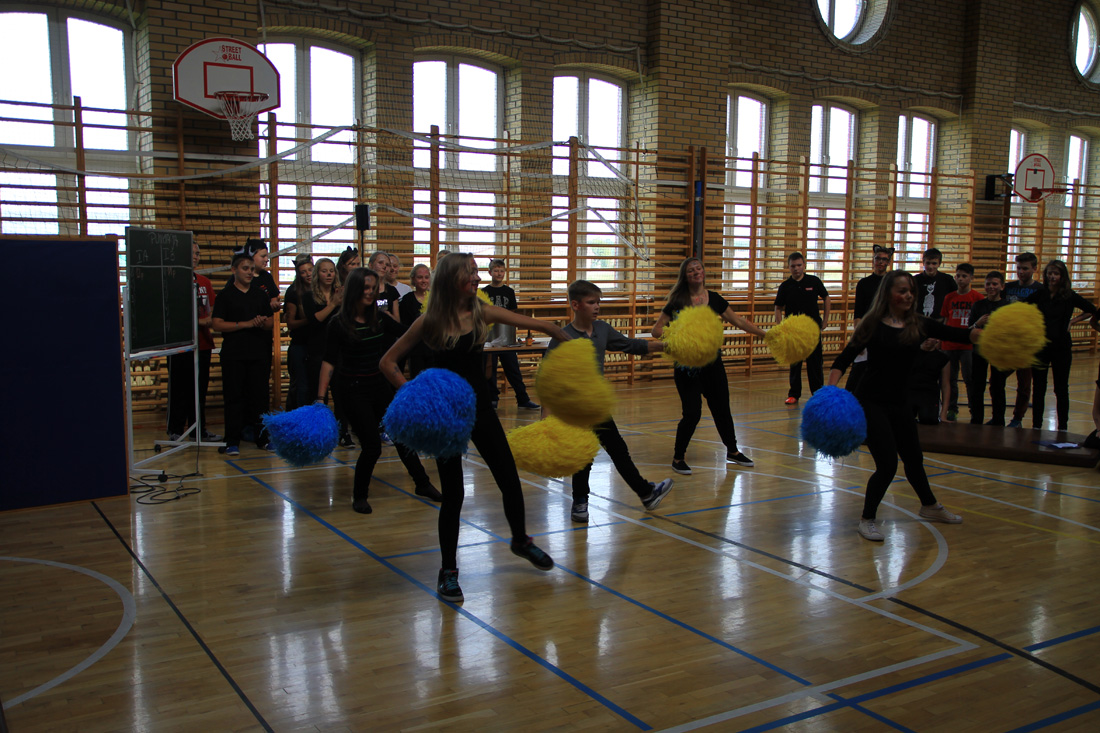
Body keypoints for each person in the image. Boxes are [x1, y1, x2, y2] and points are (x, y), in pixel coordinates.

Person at [380, 252, 569, 604]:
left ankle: (520, 540)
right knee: (454, 495)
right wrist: (414, 396)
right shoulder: (429, 321)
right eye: (471, 272)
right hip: (446, 415)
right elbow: (388, 362)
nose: (477, 278)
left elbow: (535, 323)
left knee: (508, 477)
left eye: (477, 272)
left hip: (480, 407)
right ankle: (448, 571)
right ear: (452, 278)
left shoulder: (481, 311)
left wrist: (559, 332)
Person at [829, 270, 981, 542]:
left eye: (911, 290)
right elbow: (844, 359)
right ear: (888, 294)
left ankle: (929, 506)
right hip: (871, 402)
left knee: (914, 459)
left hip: (900, 402)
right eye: (902, 290)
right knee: (887, 465)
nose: (909, 295)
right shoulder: (871, 324)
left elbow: (957, 334)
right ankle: (867, 519)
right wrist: (830, 391)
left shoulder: (919, 324)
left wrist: (979, 333)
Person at [316, 267, 441, 514]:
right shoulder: (338, 324)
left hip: (379, 387)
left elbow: (408, 334)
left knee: (402, 436)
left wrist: (434, 319)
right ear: (354, 290)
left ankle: (422, 484)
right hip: (352, 392)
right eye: (365, 288)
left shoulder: (380, 318)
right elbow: (328, 362)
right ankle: (359, 495)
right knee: (372, 446)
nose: (370, 292)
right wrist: (320, 399)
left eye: (373, 288)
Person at [549, 280, 674, 523]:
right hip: (575, 407)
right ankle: (582, 502)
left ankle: (644, 493)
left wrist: (662, 346)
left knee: (617, 450)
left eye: (599, 302)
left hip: (597, 405)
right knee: (584, 455)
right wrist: (547, 419)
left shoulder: (602, 329)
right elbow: (548, 378)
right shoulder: (562, 337)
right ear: (575, 305)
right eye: (591, 302)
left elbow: (630, 345)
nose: (597, 306)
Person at [652, 257, 766, 474]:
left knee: (722, 409)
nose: (696, 272)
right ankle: (678, 457)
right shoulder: (677, 300)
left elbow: (739, 321)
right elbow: (656, 330)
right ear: (685, 276)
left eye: (698, 268)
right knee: (692, 413)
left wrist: (765, 335)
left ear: (704, 272)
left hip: (713, 364)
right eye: (690, 270)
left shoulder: (714, 299)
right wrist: (681, 339)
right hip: (687, 368)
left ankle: (732, 451)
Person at [211, 252, 274, 456]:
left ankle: (263, 439)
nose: (249, 272)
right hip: (234, 355)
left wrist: (261, 323)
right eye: (245, 268)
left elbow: (270, 322)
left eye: (251, 269)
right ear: (234, 270)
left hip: (258, 354)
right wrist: (244, 324)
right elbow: (217, 324)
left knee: (260, 398)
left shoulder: (260, 295)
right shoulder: (225, 295)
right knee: (234, 398)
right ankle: (232, 441)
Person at [1031, 260, 1097, 431]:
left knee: (1061, 388)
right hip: (1040, 346)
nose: (1052, 277)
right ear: (1045, 275)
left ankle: (1062, 427)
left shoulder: (1069, 295)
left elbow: (1091, 309)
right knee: (1038, 387)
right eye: (1050, 273)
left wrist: (1073, 321)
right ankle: (1036, 425)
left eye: (1056, 273)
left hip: (1061, 347)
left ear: (1062, 276)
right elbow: (1022, 308)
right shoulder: (1040, 294)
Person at [167, 240, 220, 442]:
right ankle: (175, 430)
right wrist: (198, 321)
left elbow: (212, 310)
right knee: (179, 388)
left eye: (198, 253)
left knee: (199, 390)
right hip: (179, 345)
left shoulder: (204, 282)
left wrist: (209, 320)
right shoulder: (172, 282)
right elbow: (171, 315)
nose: (196, 257)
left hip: (203, 344)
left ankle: (198, 429)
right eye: (192, 253)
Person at [482, 258, 540, 410]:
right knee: (490, 368)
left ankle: (522, 398)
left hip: (507, 336)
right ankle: (492, 398)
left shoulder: (509, 292)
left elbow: (513, 313)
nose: (499, 273)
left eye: (502, 271)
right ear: (490, 272)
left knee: (513, 369)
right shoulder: (484, 292)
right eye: (496, 271)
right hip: (490, 337)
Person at [774, 251, 830, 404]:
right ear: (789, 267)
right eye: (793, 266)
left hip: (812, 330)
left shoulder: (814, 281)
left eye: (799, 265)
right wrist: (780, 327)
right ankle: (794, 394)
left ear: (804, 265)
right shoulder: (785, 286)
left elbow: (826, 298)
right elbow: (778, 308)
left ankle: (818, 393)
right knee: (795, 363)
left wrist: (825, 320)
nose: (796, 268)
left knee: (815, 363)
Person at [1002, 252, 1049, 428]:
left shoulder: (1041, 290)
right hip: (1008, 342)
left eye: (1025, 268)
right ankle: (997, 416)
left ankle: (1017, 418)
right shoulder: (1008, 287)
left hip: (1027, 344)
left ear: (1034, 269)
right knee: (997, 379)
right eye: (1018, 268)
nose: (1021, 272)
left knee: (1024, 384)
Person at [939, 263, 984, 421]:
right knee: (950, 379)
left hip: (968, 345)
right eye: (958, 276)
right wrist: (941, 340)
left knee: (969, 379)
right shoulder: (949, 297)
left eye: (964, 276)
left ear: (971, 278)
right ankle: (952, 409)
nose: (960, 279)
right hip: (949, 344)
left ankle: (973, 408)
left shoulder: (978, 298)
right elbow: (945, 319)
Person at [846, 244, 894, 394]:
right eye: (877, 258)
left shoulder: (892, 284)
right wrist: (859, 337)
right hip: (868, 332)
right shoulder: (864, 284)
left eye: (884, 259)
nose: (880, 262)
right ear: (873, 260)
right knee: (856, 376)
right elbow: (858, 313)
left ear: (888, 262)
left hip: (886, 334)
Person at [302, 258, 342, 417]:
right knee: (318, 395)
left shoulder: (340, 294)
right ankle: (320, 426)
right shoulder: (309, 296)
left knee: (340, 394)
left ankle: (342, 428)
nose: (329, 274)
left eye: (331, 271)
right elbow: (314, 320)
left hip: (338, 349)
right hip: (317, 349)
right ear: (317, 274)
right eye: (324, 271)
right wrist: (332, 304)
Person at [968, 271, 1009, 425]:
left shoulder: (1007, 306)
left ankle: (998, 420)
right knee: (977, 386)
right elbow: (969, 329)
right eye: (988, 284)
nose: (991, 287)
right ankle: (976, 419)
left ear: (1002, 286)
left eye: (995, 284)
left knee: (998, 386)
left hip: (999, 352)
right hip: (979, 351)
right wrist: (978, 323)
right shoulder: (978, 305)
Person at [283, 254, 314, 411]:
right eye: (303, 272)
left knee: (316, 387)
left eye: (310, 270)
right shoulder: (293, 292)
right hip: (300, 345)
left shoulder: (321, 289)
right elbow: (290, 323)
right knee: (301, 386)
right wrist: (312, 320)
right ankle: (299, 419)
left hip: (317, 345)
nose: (308, 274)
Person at [398, 263, 432, 378]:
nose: (423, 280)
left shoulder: (435, 298)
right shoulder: (407, 300)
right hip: (416, 348)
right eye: (420, 277)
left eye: (426, 277)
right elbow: (404, 326)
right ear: (413, 279)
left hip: (434, 347)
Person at [913, 247, 956, 321]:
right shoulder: (915, 280)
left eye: (934, 263)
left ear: (939, 264)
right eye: (928, 263)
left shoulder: (947, 280)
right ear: (923, 262)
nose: (930, 267)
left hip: (940, 321)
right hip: (919, 321)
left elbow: (955, 299)